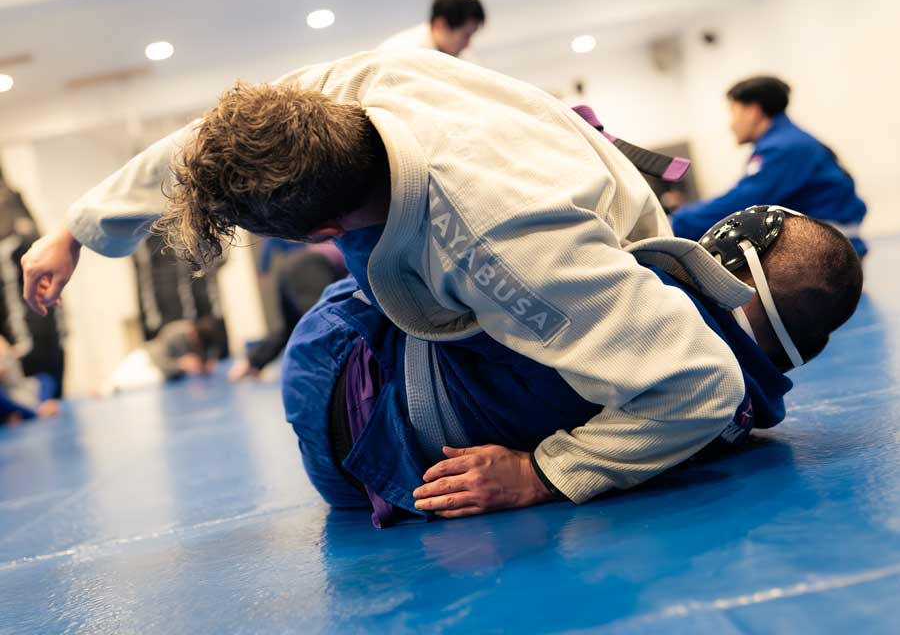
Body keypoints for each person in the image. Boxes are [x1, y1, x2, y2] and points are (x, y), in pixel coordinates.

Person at [21, 48, 759, 512]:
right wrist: (80, 228)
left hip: (577, 255)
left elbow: (699, 386)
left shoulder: (498, 248)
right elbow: (202, 145)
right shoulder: (359, 85)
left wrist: (548, 470)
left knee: (333, 380)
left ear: (320, 237)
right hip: (525, 208)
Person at [283, 209, 862, 525]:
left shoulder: (636, 310)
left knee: (398, 210)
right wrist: (541, 472)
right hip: (392, 481)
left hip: (332, 366)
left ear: (735, 257)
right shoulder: (742, 413)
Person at [671, 76, 868, 256]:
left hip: (828, 253)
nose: (731, 125)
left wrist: (678, 222)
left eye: (734, 112)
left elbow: (744, 203)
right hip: (831, 246)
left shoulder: (784, 147)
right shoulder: (789, 141)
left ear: (753, 111)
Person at [228, 242, 346, 381]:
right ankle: (340, 372)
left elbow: (269, 244)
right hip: (309, 265)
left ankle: (252, 363)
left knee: (288, 326)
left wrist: (263, 268)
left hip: (288, 265)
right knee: (325, 321)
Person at [100, 316, 224, 395]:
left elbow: (207, 361)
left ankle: (109, 387)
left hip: (163, 373)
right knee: (125, 378)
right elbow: (161, 361)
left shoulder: (205, 343)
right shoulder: (174, 332)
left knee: (139, 382)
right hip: (149, 359)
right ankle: (106, 387)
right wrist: (180, 365)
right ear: (194, 333)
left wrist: (204, 366)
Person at [378, 0, 485, 58]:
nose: (468, 45)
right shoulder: (399, 53)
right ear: (441, 25)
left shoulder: (463, 55)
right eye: (465, 36)